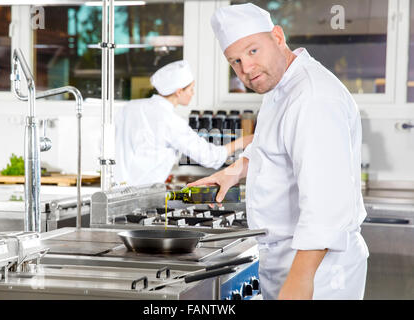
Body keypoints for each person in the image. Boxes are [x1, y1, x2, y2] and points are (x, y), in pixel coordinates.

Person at [188, 3, 369, 300]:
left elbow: (326, 207)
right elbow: (269, 148)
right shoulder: (280, 87)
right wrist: (233, 172)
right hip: (288, 264)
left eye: (252, 51)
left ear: (278, 36)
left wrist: (299, 283)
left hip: (317, 274)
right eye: (235, 61)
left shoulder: (312, 97)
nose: (246, 68)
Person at [115, 60, 253, 186]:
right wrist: (244, 141)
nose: (193, 93)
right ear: (179, 92)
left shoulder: (130, 107)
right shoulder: (170, 120)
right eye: (191, 88)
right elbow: (210, 156)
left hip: (115, 188)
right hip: (140, 193)